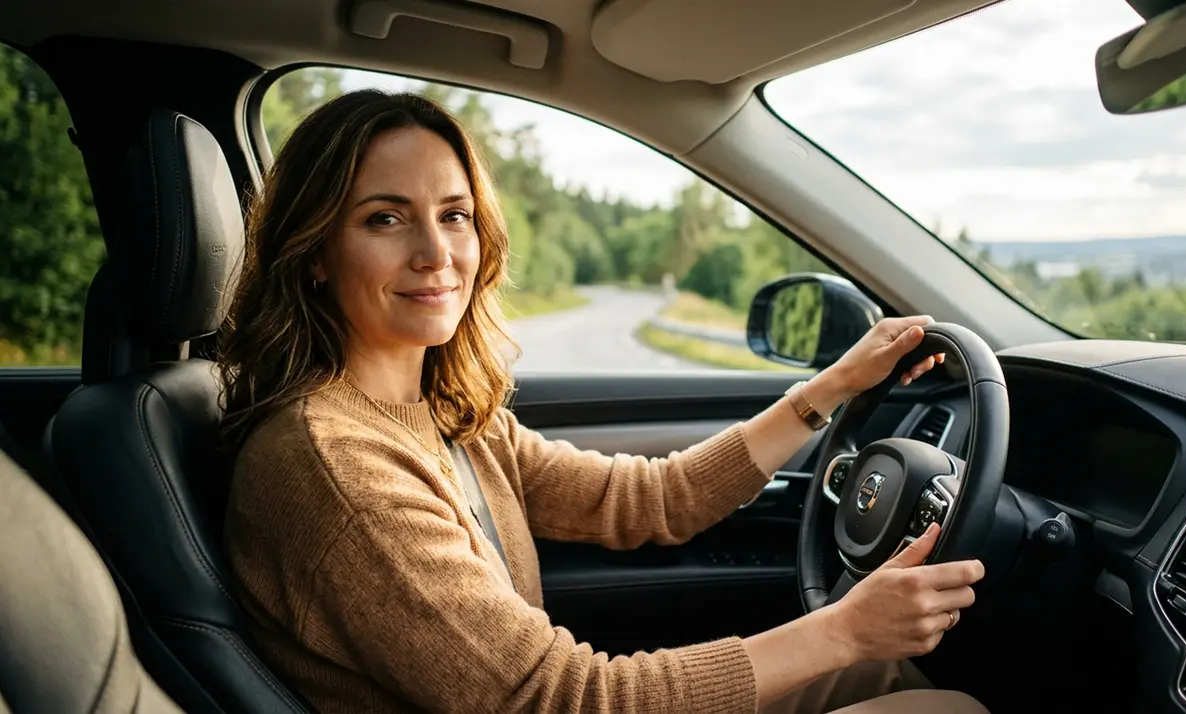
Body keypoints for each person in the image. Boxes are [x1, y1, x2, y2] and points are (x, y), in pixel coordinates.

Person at [219, 89, 989, 714]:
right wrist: (845, 630)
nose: (435, 252)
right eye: (384, 218)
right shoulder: (334, 465)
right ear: (316, 253)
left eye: (453, 215)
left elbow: (652, 499)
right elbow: (561, 699)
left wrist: (830, 388)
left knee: (887, 684)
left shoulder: (448, 415)